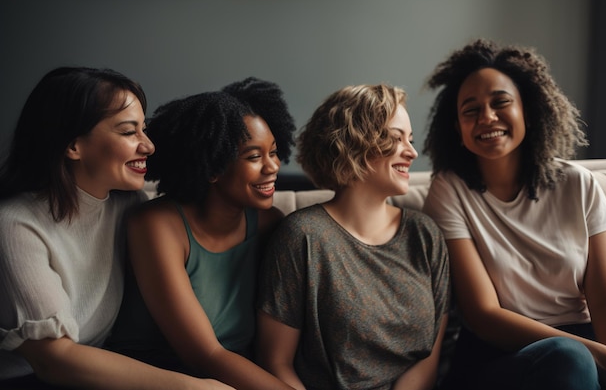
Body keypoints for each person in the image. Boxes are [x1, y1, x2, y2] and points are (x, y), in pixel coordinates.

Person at [0, 67, 233, 390]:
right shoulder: (14, 225)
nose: (148, 146)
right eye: (128, 132)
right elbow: (53, 359)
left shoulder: (128, 204)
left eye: (144, 129)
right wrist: (192, 387)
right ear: (73, 146)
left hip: (97, 369)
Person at [421, 38, 606, 390]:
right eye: (471, 110)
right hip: (500, 357)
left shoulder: (579, 185)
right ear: (457, 128)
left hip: (585, 346)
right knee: (570, 359)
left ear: (527, 112)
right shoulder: (449, 190)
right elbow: (482, 316)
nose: (487, 117)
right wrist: (602, 357)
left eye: (500, 102)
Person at [256, 84, 450, 390]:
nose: (412, 152)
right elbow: (275, 362)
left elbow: (428, 358)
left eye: (410, 140)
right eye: (395, 138)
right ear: (353, 142)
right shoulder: (302, 236)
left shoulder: (425, 235)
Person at [107, 77, 296, 390]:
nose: (272, 166)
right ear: (212, 168)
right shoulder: (157, 224)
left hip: (237, 376)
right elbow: (204, 354)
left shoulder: (270, 223)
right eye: (254, 156)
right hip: (161, 377)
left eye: (274, 152)